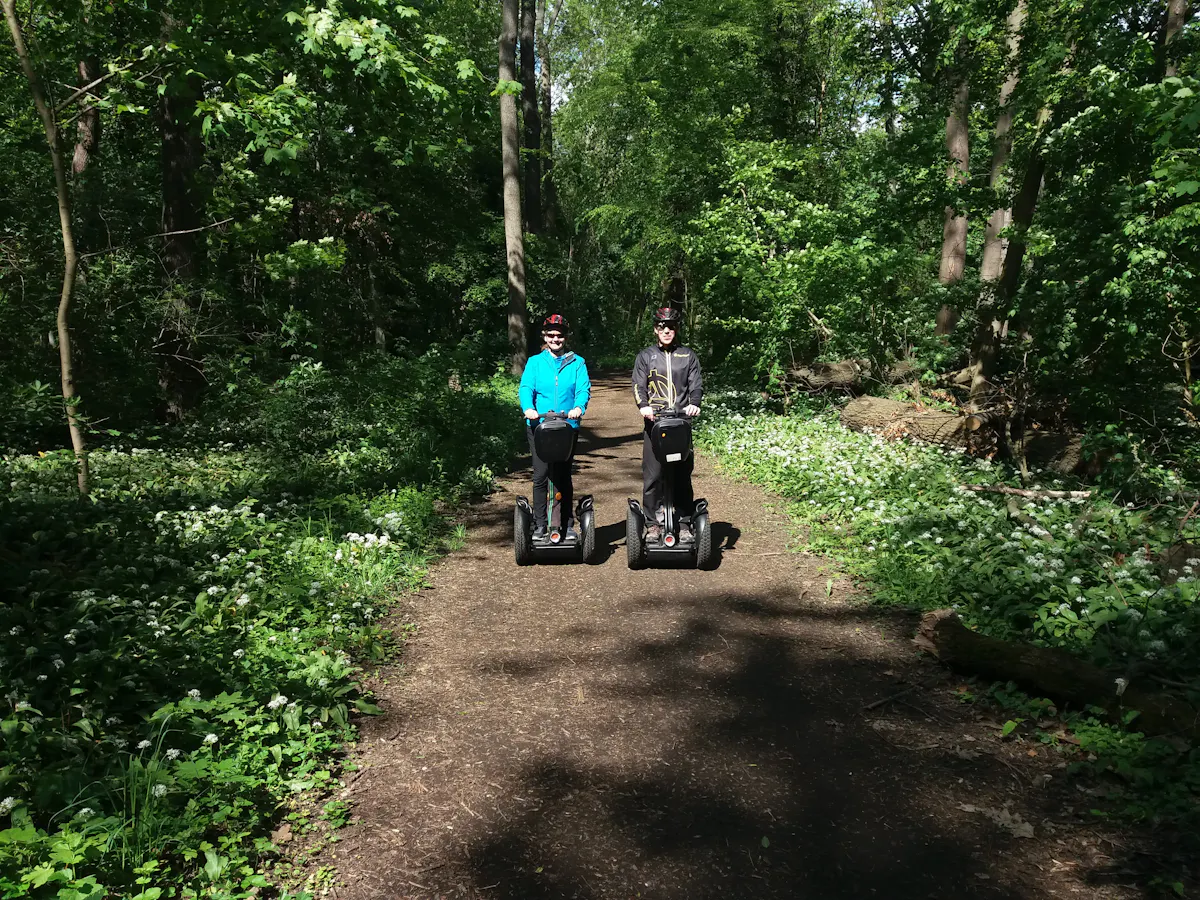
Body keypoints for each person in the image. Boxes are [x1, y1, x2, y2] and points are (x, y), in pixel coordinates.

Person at [632, 306, 702, 543]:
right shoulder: (646, 356)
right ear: (655, 329)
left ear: (676, 330)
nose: (667, 331)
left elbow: (696, 385)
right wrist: (643, 405)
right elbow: (638, 385)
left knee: (682, 474)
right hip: (655, 424)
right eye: (662, 327)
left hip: (681, 424)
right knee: (653, 476)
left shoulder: (688, 355)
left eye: (671, 327)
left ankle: (683, 523)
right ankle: (653, 524)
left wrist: (694, 403)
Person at [519, 314, 591, 539]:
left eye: (559, 335)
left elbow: (583, 389)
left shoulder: (577, 362)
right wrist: (528, 408)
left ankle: (566, 525)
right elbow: (525, 388)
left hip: (566, 427)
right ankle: (540, 525)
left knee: (562, 474)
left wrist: (579, 407)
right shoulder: (535, 362)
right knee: (540, 475)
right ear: (545, 336)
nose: (555, 339)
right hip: (539, 426)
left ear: (565, 338)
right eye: (551, 335)